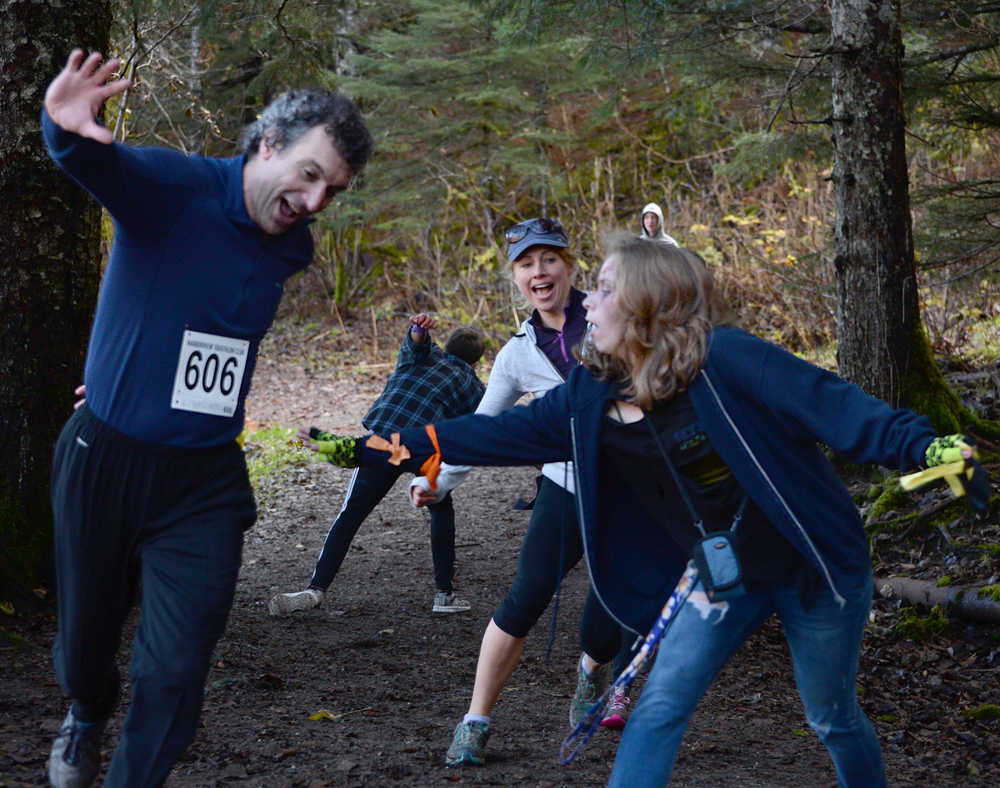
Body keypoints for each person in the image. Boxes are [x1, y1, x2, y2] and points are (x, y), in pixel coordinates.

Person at [306, 235, 980, 787]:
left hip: (815, 567)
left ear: (646, 304)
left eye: (602, 287)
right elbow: (491, 434)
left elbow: (841, 409)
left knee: (830, 716)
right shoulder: (589, 393)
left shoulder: (731, 362)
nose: (588, 299)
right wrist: (381, 450)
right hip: (723, 578)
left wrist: (929, 443)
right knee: (657, 707)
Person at [42, 49, 371, 787]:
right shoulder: (175, 189)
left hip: (203, 483)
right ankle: (87, 711)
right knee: (85, 648)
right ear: (267, 144)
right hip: (104, 458)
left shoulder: (294, 248)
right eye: (310, 175)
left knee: (178, 666)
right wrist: (63, 126)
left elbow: (210, 344)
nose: (315, 202)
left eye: (334, 191)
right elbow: (95, 163)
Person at [403, 217, 629, 766]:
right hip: (565, 488)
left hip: (630, 492)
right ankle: (475, 720)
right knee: (523, 600)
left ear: (569, 265)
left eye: (548, 259)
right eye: (526, 264)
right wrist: (434, 477)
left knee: (607, 617)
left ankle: (592, 674)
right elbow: (484, 429)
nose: (539, 272)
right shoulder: (515, 355)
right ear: (516, 277)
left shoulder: (615, 316)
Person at [271, 314, 485, 616]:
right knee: (441, 510)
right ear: (476, 362)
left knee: (350, 515)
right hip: (421, 448)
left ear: (447, 346)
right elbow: (479, 426)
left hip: (383, 439)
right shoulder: (473, 386)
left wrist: (417, 329)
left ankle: (315, 588)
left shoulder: (426, 356)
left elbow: (417, 343)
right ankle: (444, 594)